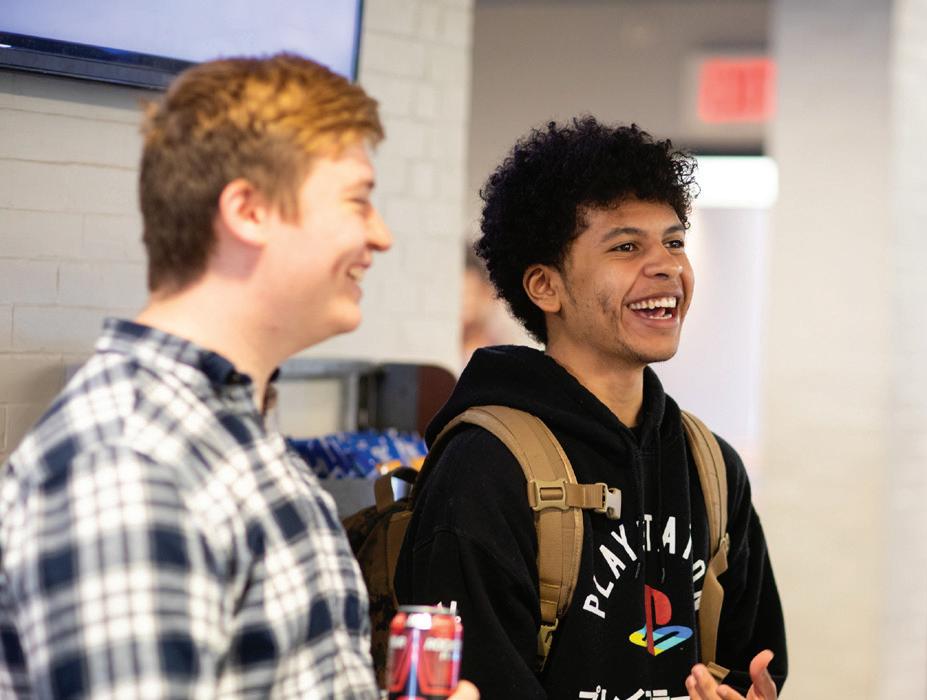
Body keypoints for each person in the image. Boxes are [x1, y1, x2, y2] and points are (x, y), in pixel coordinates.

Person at [0, 54, 476, 699]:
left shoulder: (229, 437)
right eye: (358, 201)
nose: (382, 235)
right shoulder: (132, 461)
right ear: (249, 211)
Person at [396, 116, 787, 699]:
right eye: (626, 246)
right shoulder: (485, 469)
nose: (667, 266)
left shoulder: (711, 468)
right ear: (545, 286)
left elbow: (751, 659)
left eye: (674, 242)